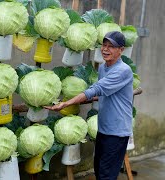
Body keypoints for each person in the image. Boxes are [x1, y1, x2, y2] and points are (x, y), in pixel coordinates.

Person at [45, 31, 133, 180]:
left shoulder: (122, 71)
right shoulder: (104, 68)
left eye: (111, 46)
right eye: (104, 45)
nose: (105, 49)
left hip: (117, 132)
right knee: (99, 171)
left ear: (121, 50)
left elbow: (96, 89)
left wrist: (66, 103)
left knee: (106, 176)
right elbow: (101, 92)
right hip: (104, 128)